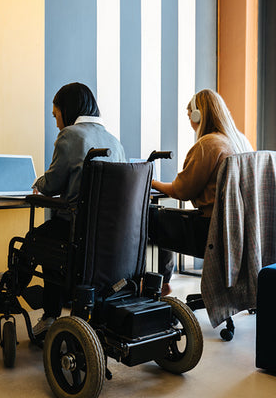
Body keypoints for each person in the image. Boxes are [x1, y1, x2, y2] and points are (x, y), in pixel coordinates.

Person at [29, 82, 126, 336]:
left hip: (75, 230)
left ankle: (17, 284)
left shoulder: (70, 135)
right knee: (51, 244)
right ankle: (51, 313)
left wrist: (36, 184)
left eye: (56, 116)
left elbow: (51, 184)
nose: (57, 124)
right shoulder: (115, 142)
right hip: (110, 238)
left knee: (37, 240)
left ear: (66, 110)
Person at [149, 89, 253, 297]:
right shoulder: (241, 141)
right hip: (239, 229)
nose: (190, 122)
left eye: (190, 117)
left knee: (151, 216)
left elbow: (181, 190)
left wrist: (150, 181)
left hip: (210, 230)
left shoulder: (208, 144)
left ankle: (161, 285)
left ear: (198, 115)